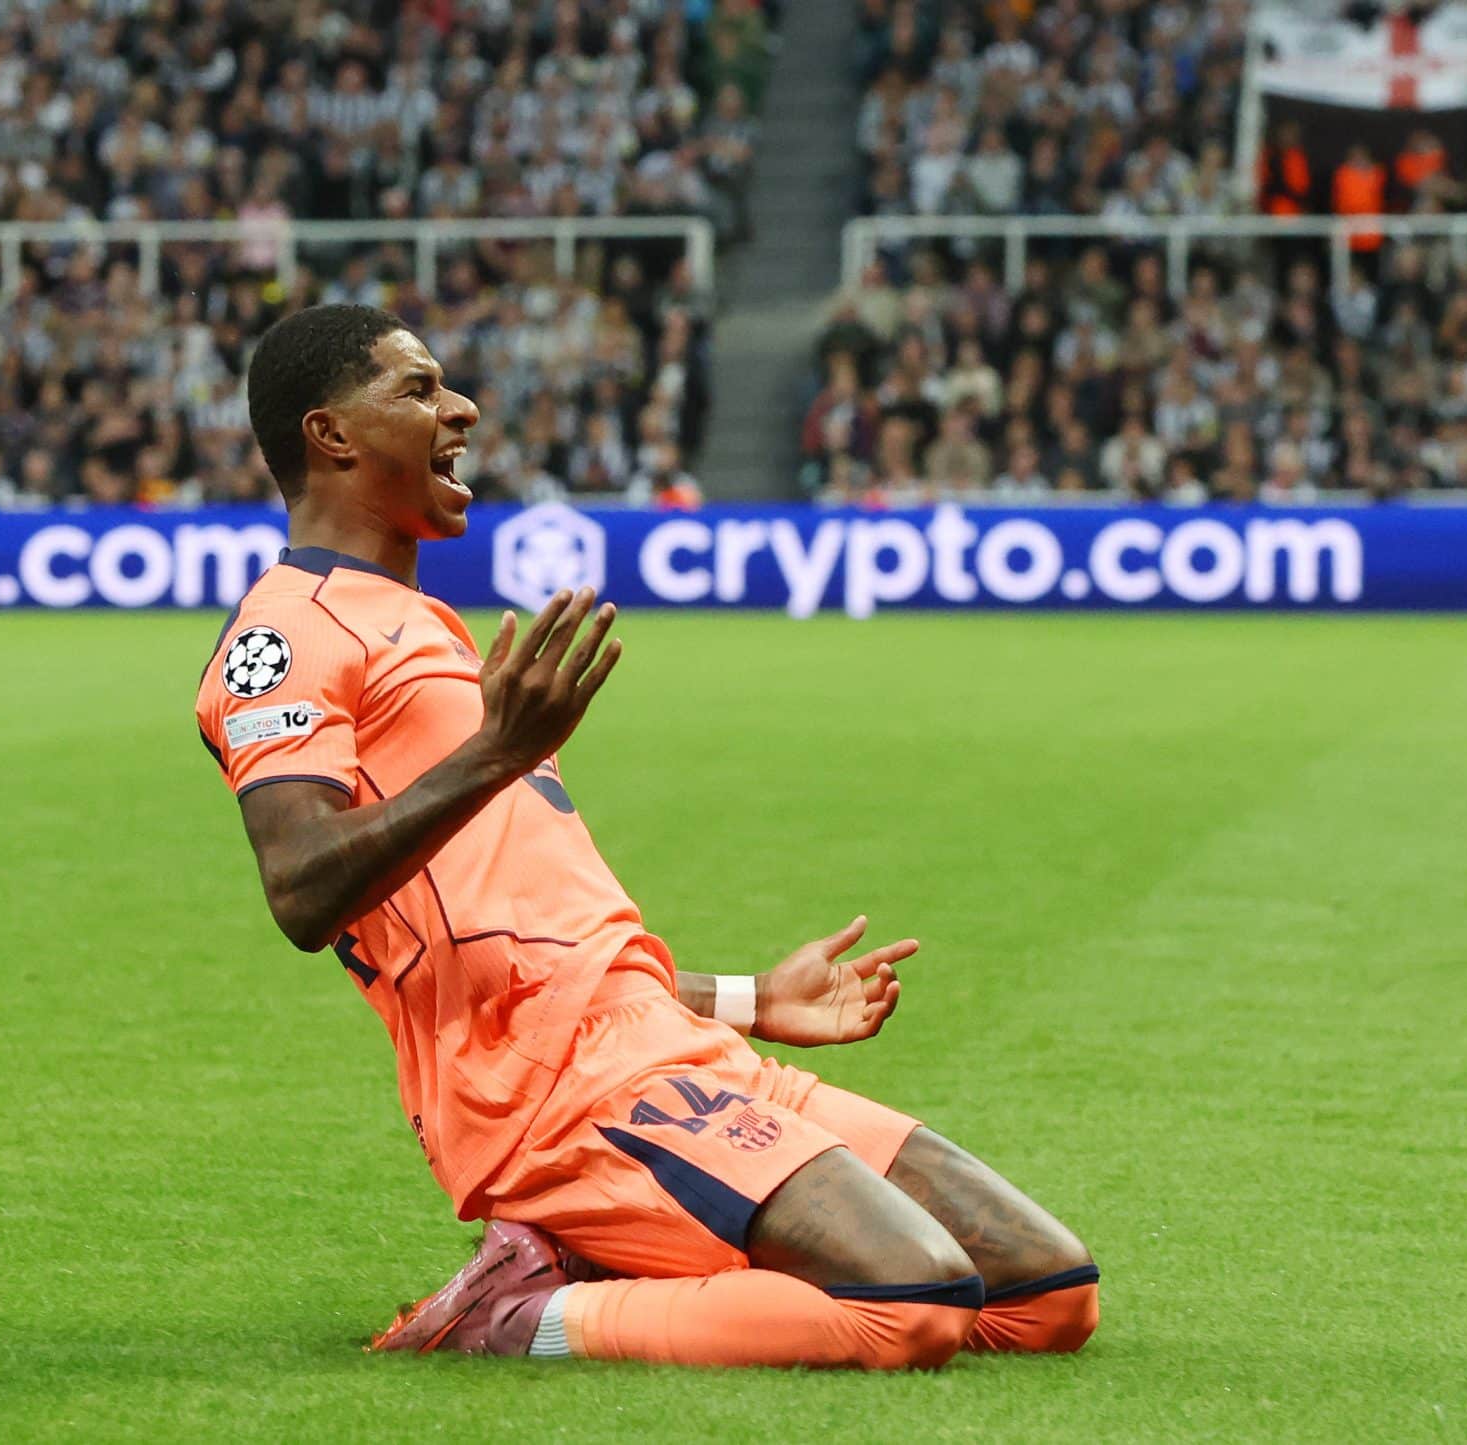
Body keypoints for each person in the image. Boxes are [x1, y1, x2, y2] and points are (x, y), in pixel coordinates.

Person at [195, 305, 1098, 1369]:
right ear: (331, 435)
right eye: (418, 389)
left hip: (648, 1041)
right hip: (544, 1086)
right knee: (913, 1302)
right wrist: (492, 753)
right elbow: (300, 887)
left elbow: (544, 934)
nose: (460, 407)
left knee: (1046, 1291)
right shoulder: (281, 633)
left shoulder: (419, 621)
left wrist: (752, 1000)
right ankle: (516, 1318)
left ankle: (596, 1247)